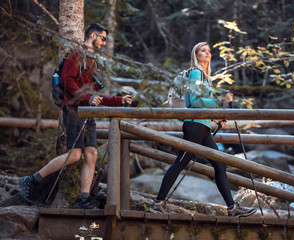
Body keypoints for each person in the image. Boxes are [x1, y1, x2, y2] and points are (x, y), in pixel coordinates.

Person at [19, 23, 134, 209]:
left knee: (92, 154)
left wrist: (119, 100)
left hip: (87, 112)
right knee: (74, 155)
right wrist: (89, 98)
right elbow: (67, 81)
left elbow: (94, 95)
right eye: (103, 38)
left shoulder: (91, 60)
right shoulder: (76, 54)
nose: (104, 43)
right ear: (93, 36)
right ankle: (32, 179)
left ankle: (84, 199)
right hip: (74, 110)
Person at [149, 42, 256, 217]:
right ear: (196, 55)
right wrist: (220, 101)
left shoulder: (205, 77)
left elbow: (203, 105)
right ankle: (158, 203)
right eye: (203, 51)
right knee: (180, 163)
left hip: (202, 127)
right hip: (194, 126)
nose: (207, 53)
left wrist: (216, 118)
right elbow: (195, 102)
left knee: (219, 164)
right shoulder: (196, 72)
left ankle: (232, 208)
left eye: (209, 51)